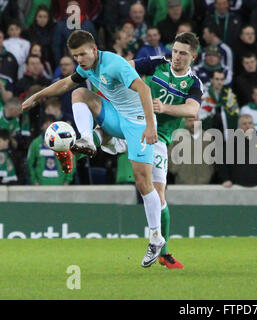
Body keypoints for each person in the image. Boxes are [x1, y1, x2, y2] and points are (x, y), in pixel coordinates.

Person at [21, 30, 163, 269]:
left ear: (94, 50)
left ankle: (156, 237)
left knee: (142, 182)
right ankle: (88, 138)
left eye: (82, 54)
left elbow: (145, 90)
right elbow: (66, 83)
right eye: (75, 56)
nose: (79, 60)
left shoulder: (115, 64)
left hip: (138, 124)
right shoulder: (86, 67)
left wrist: (150, 126)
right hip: (116, 117)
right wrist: (38, 96)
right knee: (79, 92)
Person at [131, 32, 203, 268]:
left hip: (159, 138)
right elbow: (126, 67)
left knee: (159, 196)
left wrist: (164, 108)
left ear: (193, 56)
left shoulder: (194, 83)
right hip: (135, 124)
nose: (177, 57)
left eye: (183, 53)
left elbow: (192, 111)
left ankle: (163, 251)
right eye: (175, 51)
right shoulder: (156, 63)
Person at [218, 113, 257, 188]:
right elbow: (223, 163)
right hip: (238, 185)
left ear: (253, 124)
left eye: (250, 123)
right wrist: (226, 179)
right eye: (244, 124)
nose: (248, 126)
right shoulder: (232, 142)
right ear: (240, 126)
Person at [27, 115, 75, 186]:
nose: (48, 126)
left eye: (51, 123)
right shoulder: (36, 143)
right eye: (46, 123)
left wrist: (67, 181)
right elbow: (30, 163)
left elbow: (71, 161)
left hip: (61, 184)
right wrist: (34, 181)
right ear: (41, 126)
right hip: (41, 184)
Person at [168, 116, 216, 184]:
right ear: (186, 122)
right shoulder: (178, 137)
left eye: (195, 120)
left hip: (205, 181)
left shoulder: (208, 137)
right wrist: (176, 170)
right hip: (183, 181)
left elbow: (214, 157)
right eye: (190, 120)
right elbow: (170, 155)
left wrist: (210, 172)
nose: (193, 123)